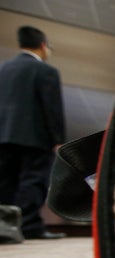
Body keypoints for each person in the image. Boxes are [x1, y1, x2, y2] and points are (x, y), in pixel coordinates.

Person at [0, 26, 66, 240]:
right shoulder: (46, 71)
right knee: (33, 180)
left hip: (4, 136)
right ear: (43, 46)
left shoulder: (4, 69)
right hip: (34, 138)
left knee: (5, 181)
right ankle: (28, 227)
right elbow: (51, 108)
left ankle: (5, 227)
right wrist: (57, 139)